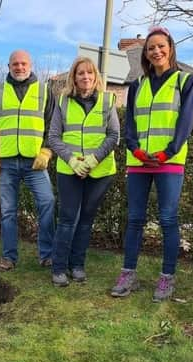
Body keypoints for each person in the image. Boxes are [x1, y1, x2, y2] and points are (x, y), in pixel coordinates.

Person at [110, 26, 193, 302]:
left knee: (168, 219)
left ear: (170, 49)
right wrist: (135, 149)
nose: (156, 51)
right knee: (135, 219)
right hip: (138, 162)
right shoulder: (137, 85)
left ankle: (166, 278)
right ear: (145, 55)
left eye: (161, 46)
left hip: (169, 162)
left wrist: (166, 153)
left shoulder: (185, 81)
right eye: (151, 48)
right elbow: (131, 124)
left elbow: (185, 123)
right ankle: (128, 274)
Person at [0, 49, 56, 271]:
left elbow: (53, 124)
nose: (19, 67)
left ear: (30, 65)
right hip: (5, 162)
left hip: (35, 162)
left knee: (48, 202)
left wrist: (47, 151)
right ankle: (9, 257)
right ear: (9, 66)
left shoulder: (44, 91)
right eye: (15, 64)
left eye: (23, 63)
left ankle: (47, 254)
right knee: (7, 211)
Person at [47, 57, 119, 287]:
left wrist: (93, 159)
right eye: (81, 73)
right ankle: (59, 268)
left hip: (99, 170)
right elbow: (54, 137)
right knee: (68, 218)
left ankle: (77, 265)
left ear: (95, 76)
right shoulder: (63, 102)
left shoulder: (108, 101)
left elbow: (113, 135)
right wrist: (72, 160)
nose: (85, 77)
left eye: (89, 73)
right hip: (69, 169)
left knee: (86, 219)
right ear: (74, 77)